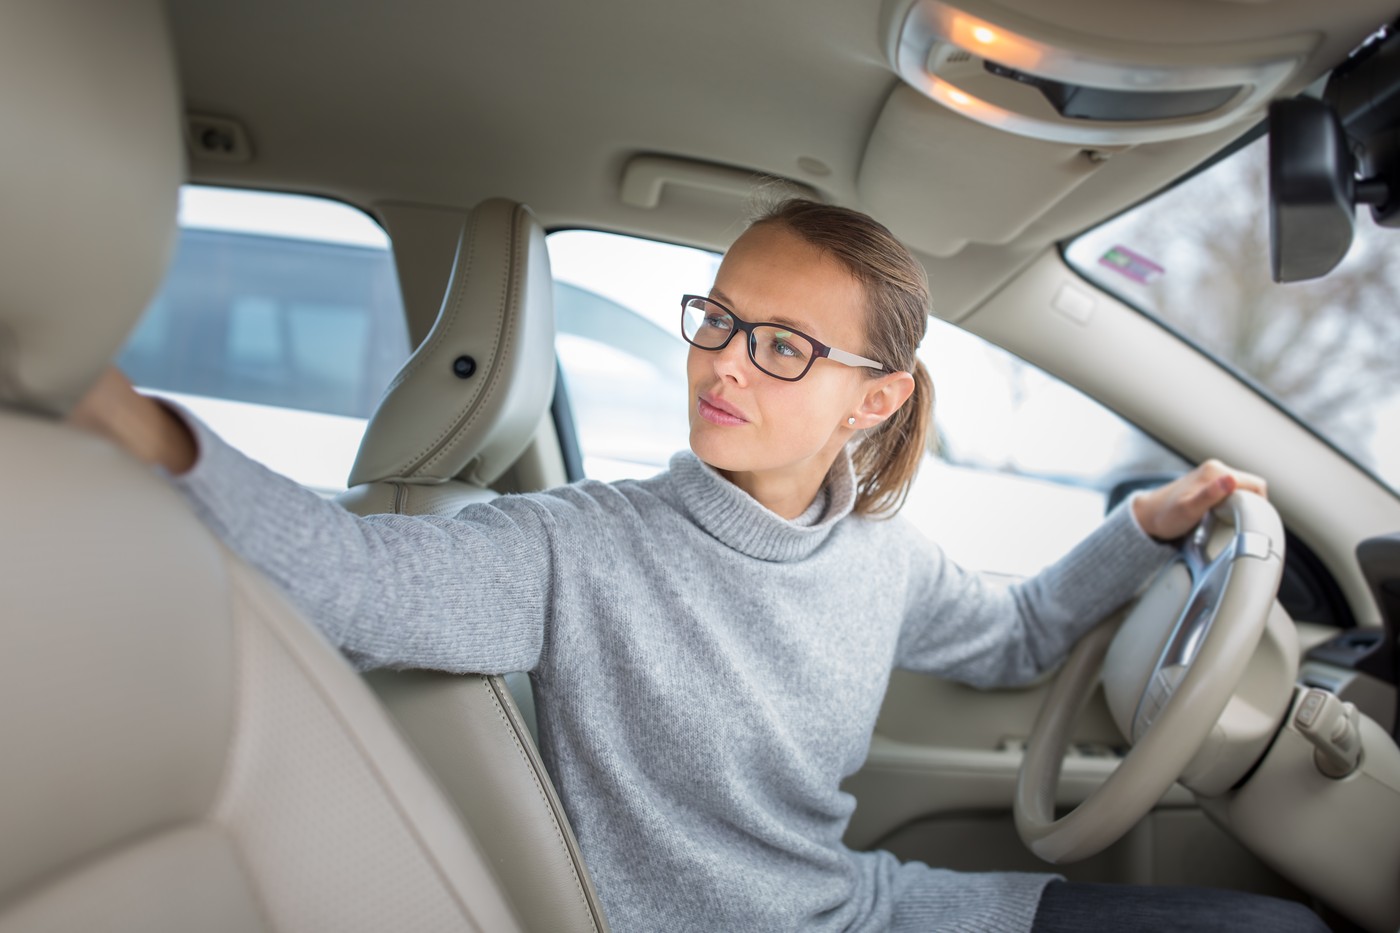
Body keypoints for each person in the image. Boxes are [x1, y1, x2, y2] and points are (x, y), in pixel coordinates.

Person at [70, 199, 1322, 933]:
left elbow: (1007, 637)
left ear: (872, 401)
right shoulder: (580, 546)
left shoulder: (871, 553)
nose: (722, 362)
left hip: (870, 909)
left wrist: (1144, 531)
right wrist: (145, 429)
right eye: (717, 319)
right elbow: (347, 581)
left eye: (781, 346)